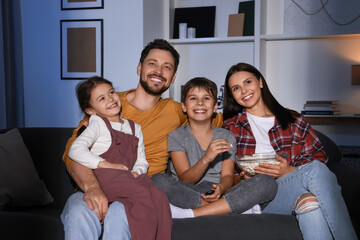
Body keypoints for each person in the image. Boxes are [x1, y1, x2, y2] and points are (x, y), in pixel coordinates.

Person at [61, 39, 222, 239]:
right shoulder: (107, 102)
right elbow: (73, 155)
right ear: (139, 68)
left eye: (167, 67)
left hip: (138, 192)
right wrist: (92, 188)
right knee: (78, 213)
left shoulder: (177, 110)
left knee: (121, 215)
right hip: (97, 184)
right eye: (152, 63)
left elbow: (221, 118)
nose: (159, 71)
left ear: (172, 78)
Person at [222, 62, 357, 240]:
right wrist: (242, 178)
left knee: (310, 203)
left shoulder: (293, 120)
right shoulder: (230, 127)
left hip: (290, 189)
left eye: (248, 82)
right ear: (232, 95)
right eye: (236, 88)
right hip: (255, 198)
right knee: (315, 176)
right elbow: (224, 176)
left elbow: (319, 158)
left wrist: (289, 171)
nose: (244, 90)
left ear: (260, 82)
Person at [152, 77, 277, 218]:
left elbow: (227, 176)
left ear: (215, 107)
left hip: (219, 193)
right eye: (193, 98)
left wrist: (221, 188)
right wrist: (206, 158)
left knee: (267, 182)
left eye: (206, 98)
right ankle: (226, 209)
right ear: (184, 107)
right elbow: (185, 179)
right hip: (188, 191)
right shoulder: (176, 136)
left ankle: (193, 213)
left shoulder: (227, 136)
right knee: (157, 180)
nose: (200, 103)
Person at [68, 76, 172, 240]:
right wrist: (104, 164)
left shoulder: (134, 127)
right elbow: (75, 150)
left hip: (125, 179)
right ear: (91, 110)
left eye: (111, 92)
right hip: (104, 178)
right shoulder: (97, 123)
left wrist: (138, 171)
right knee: (145, 195)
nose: (110, 99)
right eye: (101, 98)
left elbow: (141, 159)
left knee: (158, 197)